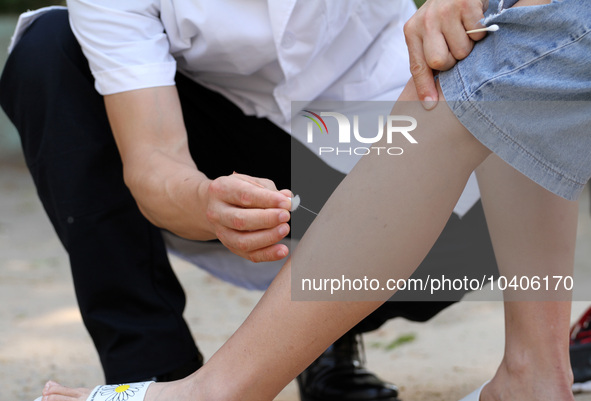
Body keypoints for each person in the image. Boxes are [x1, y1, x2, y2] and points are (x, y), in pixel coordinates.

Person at [30, 0, 591, 400]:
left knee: (493, 37)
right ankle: (158, 370)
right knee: (46, 48)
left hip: (389, 148)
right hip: (236, 155)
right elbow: (154, 164)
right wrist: (205, 200)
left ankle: (272, 365)